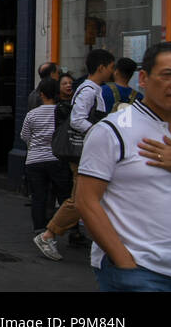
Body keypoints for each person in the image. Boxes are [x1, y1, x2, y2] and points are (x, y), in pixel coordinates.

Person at [76, 42, 171, 291]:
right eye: (167, 75)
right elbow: (86, 201)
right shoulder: (112, 130)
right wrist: (123, 260)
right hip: (140, 273)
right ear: (143, 78)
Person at [34, 48, 116, 261]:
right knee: (81, 199)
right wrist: (100, 132)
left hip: (88, 151)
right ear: (101, 67)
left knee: (90, 197)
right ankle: (48, 234)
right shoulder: (89, 90)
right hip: (85, 153)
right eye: (111, 67)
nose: (112, 71)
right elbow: (78, 120)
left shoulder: (93, 88)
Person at [21, 76, 72, 233]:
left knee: (38, 197)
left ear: (41, 94)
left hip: (34, 161)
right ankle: (68, 228)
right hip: (57, 159)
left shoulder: (32, 114)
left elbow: (24, 136)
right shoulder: (63, 112)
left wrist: (35, 146)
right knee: (65, 196)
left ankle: (39, 229)